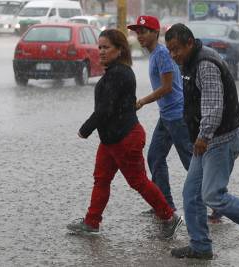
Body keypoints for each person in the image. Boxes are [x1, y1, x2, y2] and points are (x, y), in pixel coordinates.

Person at [164, 23, 239, 259]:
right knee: (191, 194)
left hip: (220, 138)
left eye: (177, 49)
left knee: (212, 195)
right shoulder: (189, 61)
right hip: (207, 138)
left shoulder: (205, 64)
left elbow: (214, 107)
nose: (174, 55)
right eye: (170, 51)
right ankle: (201, 247)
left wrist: (203, 136)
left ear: (189, 43)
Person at [67, 29, 183, 239]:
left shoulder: (120, 73)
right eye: (100, 47)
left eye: (106, 47)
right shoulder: (114, 72)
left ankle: (169, 217)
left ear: (119, 50)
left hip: (125, 138)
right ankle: (91, 222)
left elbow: (106, 109)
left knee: (138, 181)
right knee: (101, 179)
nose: (101, 51)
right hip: (111, 139)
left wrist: (85, 129)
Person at [127, 16, 192, 213]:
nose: (140, 36)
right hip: (167, 116)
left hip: (177, 116)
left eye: (144, 31)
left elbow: (167, 88)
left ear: (156, 33)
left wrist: (142, 102)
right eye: (137, 32)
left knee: (191, 163)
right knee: (155, 157)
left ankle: (216, 202)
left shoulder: (162, 54)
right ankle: (164, 206)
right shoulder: (155, 54)